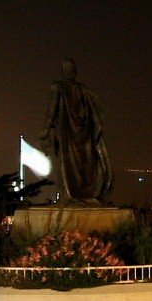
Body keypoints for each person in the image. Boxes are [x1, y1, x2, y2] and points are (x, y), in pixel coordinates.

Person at [39, 59, 113, 203]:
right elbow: (95, 111)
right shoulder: (83, 90)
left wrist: (45, 130)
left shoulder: (58, 87)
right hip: (83, 133)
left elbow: (52, 110)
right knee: (83, 165)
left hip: (66, 133)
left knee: (67, 165)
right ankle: (79, 194)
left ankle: (70, 195)